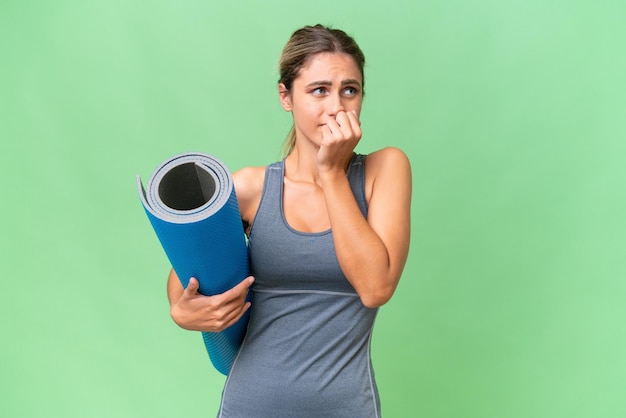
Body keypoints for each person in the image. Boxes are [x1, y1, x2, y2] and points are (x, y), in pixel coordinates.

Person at [166, 24, 412, 417]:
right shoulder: (250, 188)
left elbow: (375, 287)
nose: (337, 106)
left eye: (350, 89)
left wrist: (331, 173)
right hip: (250, 404)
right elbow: (185, 281)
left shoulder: (386, 169)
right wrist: (182, 311)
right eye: (319, 90)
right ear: (286, 96)